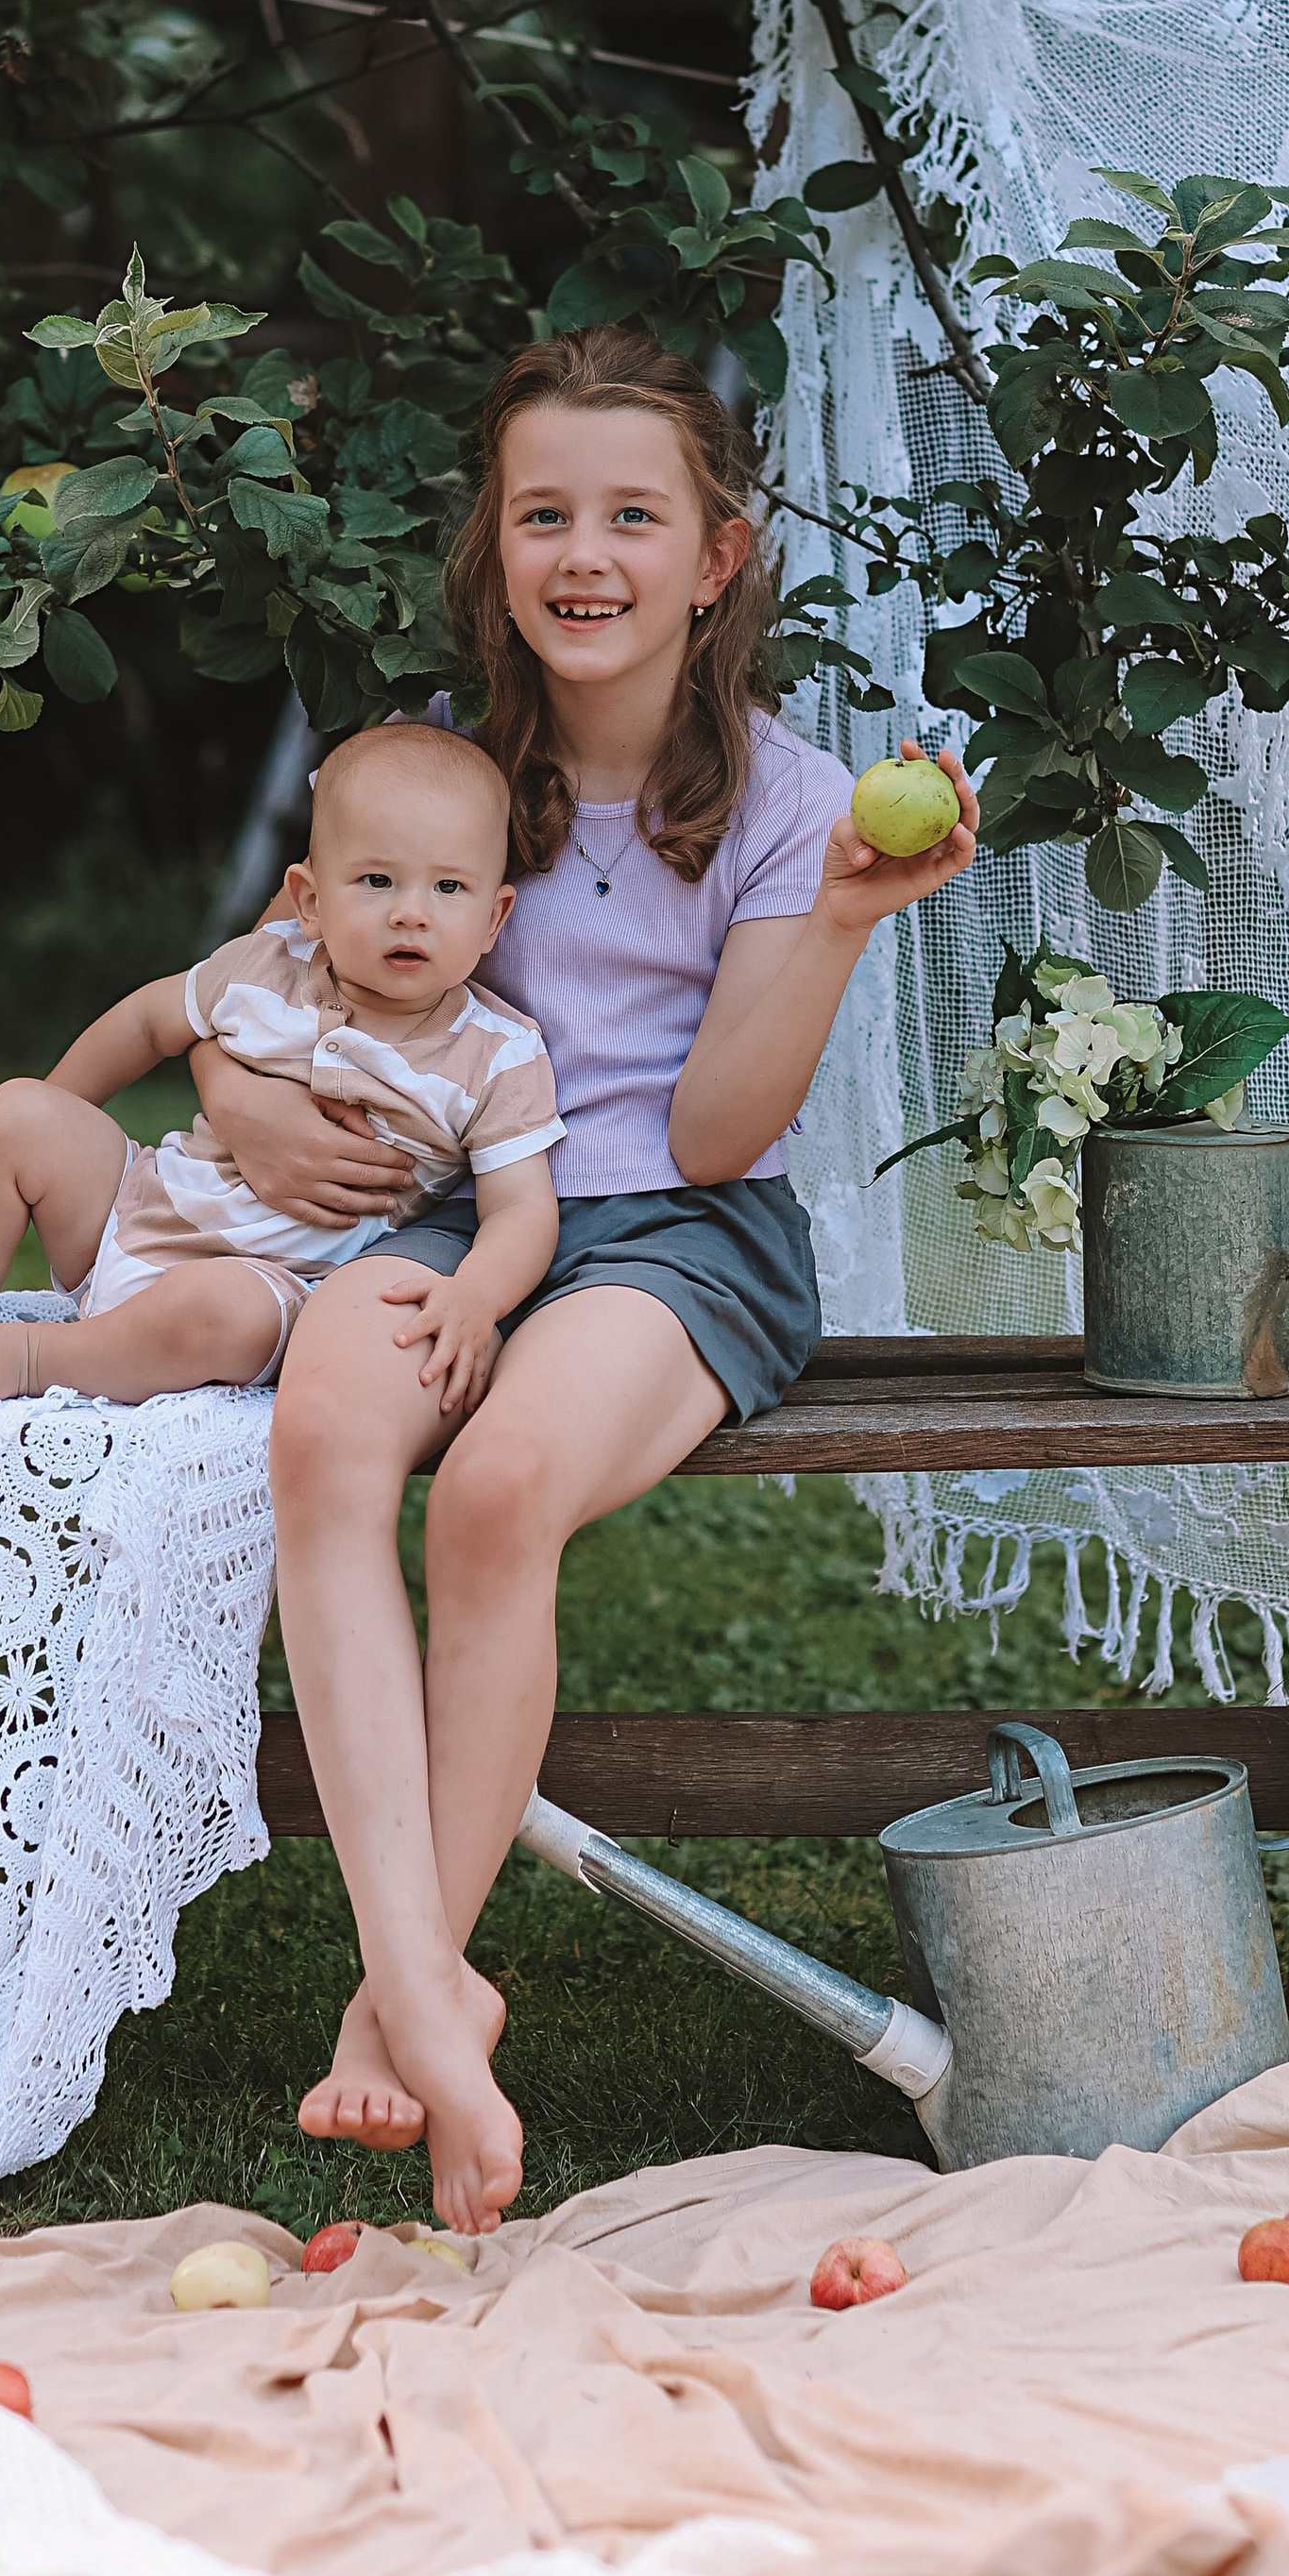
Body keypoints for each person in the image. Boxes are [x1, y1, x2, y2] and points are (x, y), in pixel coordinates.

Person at [192, 326, 975, 2235]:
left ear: (713, 558)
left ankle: (405, 1988)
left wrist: (844, 920)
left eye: (633, 515)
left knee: (501, 1491)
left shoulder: (787, 803)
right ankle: (434, 1988)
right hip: (453, 1213)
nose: (584, 554)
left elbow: (711, 1139)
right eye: (544, 512)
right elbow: (264, 982)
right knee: (324, 1432)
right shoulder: (444, 772)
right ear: (495, 544)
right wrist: (235, 1093)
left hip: (675, 1242)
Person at [0, 724, 565, 1408]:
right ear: (310, 901)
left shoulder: (495, 1052)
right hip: (134, 1216)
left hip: (279, 1286)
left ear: (494, 919)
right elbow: (144, 1021)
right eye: (377, 880)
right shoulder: (264, 967)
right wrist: (55, 1119)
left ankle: (43, 1358)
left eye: (448, 889)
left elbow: (522, 1208)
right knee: (13, 1113)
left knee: (223, 1310)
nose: (412, 913)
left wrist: (475, 1293)